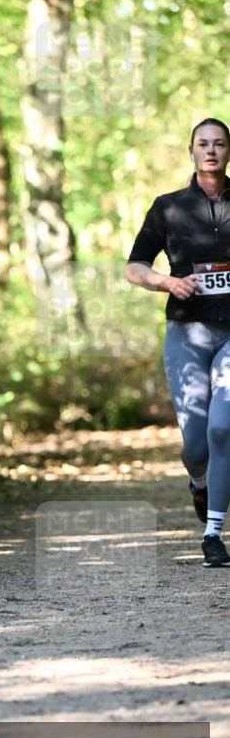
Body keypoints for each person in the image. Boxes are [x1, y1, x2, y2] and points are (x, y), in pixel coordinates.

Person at [126, 117, 230, 567]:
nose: (211, 151)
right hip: (187, 332)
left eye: (219, 144)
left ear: (228, 151)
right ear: (191, 151)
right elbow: (135, 266)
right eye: (203, 144)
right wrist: (168, 283)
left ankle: (213, 532)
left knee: (223, 429)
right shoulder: (168, 207)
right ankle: (198, 483)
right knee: (196, 445)